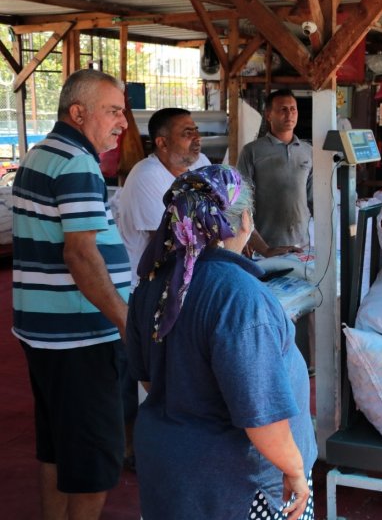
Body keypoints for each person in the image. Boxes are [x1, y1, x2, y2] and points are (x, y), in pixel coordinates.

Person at [126, 165, 317, 520]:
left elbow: (151, 378)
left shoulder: (152, 283)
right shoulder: (239, 295)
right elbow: (262, 414)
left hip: (170, 472)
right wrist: (294, 468)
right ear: (245, 221)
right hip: (239, 484)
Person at [11, 69, 131, 519]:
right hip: (81, 335)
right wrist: (125, 320)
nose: (122, 123)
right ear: (78, 112)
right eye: (113, 111)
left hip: (46, 330)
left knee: (57, 448)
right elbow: (81, 256)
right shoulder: (78, 163)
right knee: (95, 457)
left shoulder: (41, 153)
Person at [115, 108, 211, 286]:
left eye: (196, 130)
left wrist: (264, 250)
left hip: (186, 270)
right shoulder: (146, 175)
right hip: (145, 284)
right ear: (163, 143)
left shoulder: (201, 162)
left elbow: (225, 209)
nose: (197, 138)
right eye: (187, 133)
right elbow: (170, 244)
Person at [237, 89, 312, 257]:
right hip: (263, 247)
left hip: (301, 245)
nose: (289, 114)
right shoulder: (252, 151)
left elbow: (314, 200)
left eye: (293, 109)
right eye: (283, 109)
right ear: (269, 115)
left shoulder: (308, 152)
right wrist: (251, 241)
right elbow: (240, 202)